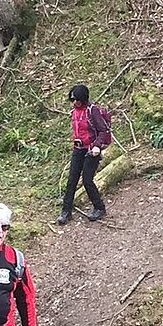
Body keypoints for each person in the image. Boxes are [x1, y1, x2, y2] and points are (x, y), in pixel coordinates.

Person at [57, 84, 109, 225]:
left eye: (77, 99)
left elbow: (103, 130)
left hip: (91, 150)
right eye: (72, 100)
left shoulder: (92, 111)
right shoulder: (74, 112)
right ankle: (66, 211)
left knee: (87, 180)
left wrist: (97, 146)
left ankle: (99, 207)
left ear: (83, 99)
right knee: (72, 180)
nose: (74, 102)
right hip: (78, 149)